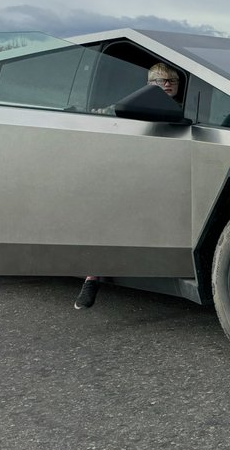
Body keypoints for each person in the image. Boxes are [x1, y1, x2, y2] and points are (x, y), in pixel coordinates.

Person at [75, 61, 183, 309]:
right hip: (138, 171)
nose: (166, 84)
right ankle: (92, 279)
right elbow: (109, 114)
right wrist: (97, 113)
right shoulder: (135, 103)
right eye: (160, 80)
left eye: (171, 81)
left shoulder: (187, 109)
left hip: (170, 173)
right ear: (148, 84)